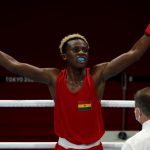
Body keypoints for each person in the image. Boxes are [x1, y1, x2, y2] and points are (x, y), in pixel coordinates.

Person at [0, 24, 150, 150]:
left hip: (94, 147)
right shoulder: (53, 77)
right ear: (65, 56)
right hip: (65, 147)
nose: (82, 53)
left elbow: (134, 54)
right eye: (76, 50)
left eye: (85, 50)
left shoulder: (97, 75)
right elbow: (15, 66)